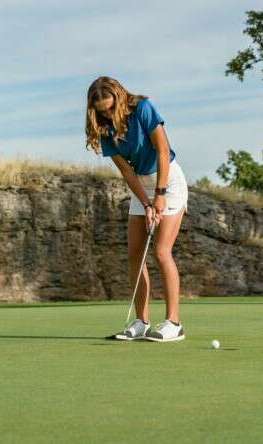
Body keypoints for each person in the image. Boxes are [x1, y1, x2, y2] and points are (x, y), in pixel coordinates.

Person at [85, 76, 187, 341]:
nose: (107, 113)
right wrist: (146, 202)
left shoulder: (142, 108)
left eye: (110, 107)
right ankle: (141, 322)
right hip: (141, 185)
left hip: (168, 181)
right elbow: (127, 172)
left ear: (119, 97)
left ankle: (174, 323)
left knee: (161, 251)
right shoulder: (105, 128)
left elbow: (163, 151)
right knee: (134, 253)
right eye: (101, 110)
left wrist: (160, 196)